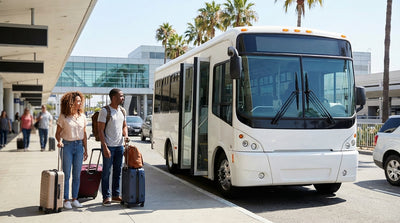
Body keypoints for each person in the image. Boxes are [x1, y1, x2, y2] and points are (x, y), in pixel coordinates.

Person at [55, 91, 88, 210]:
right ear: (70, 102)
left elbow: (84, 133)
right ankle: (66, 199)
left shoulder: (82, 116)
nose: (80, 103)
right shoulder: (63, 116)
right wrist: (59, 141)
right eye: (77, 101)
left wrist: (86, 149)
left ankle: (75, 199)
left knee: (77, 175)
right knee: (67, 174)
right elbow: (57, 134)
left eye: (80, 101)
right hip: (67, 146)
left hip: (79, 146)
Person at [98, 88, 128, 206]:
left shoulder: (122, 111)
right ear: (114, 97)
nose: (123, 98)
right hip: (109, 146)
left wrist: (125, 135)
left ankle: (116, 195)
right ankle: (106, 196)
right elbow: (100, 130)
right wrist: (104, 147)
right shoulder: (105, 111)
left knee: (118, 172)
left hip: (119, 146)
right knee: (106, 172)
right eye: (121, 96)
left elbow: (124, 126)